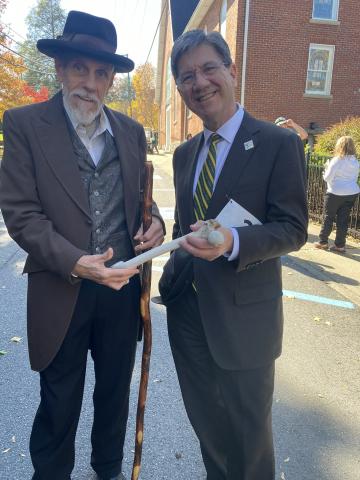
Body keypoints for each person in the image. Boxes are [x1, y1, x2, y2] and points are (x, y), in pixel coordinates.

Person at [0, 11, 165, 480]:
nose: (89, 83)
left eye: (101, 73)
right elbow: (21, 215)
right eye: (79, 68)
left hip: (119, 293)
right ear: (59, 68)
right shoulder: (25, 124)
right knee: (60, 398)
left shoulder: (131, 133)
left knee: (114, 392)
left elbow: (144, 206)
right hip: (61, 287)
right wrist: (77, 262)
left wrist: (155, 225)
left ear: (111, 79)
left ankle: (106, 469)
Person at [159, 30, 308, 480]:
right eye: (186, 77)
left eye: (208, 68)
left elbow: (293, 228)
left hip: (245, 322)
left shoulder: (277, 144)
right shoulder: (185, 154)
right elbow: (186, 225)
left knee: (249, 441)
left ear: (231, 70)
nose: (199, 83)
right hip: (188, 314)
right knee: (208, 430)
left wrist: (234, 243)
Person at [314, 136, 359, 253]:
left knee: (328, 217)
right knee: (343, 219)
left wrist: (326, 169)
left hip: (335, 192)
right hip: (351, 193)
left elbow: (327, 177)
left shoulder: (337, 160)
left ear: (340, 146)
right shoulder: (355, 161)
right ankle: (340, 245)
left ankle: (323, 242)